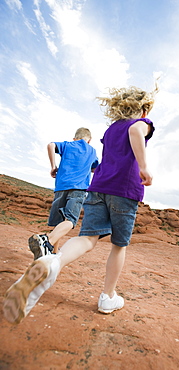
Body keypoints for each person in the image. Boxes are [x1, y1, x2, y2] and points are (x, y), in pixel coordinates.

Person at [3, 85, 157, 324]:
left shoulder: (112, 128)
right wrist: (144, 166)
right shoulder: (141, 123)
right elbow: (137, 129)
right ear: (143, 108)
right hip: (124, 190)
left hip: (97, 188)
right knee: (119, 245)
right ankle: (108, 296)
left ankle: (52, 263)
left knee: (88, 238)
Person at [28, 127, 99, 259]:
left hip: (61, 187)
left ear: (75, 138)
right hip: (78, 189)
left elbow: (50, 145)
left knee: (57, 223)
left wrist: (53, 166)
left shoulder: (68, 144)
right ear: (89, 140)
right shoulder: (92, 151)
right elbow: (96, 169)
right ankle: (46, 241)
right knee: (70, 220)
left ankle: (52, 253)